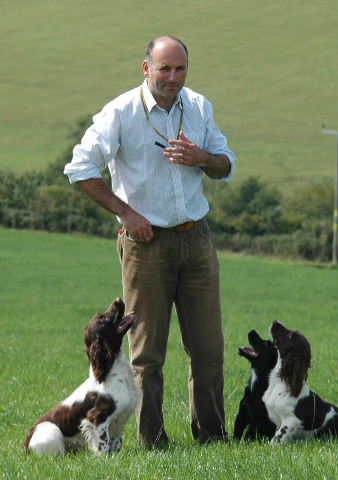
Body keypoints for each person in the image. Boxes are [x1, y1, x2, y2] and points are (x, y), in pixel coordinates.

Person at [64, 35, 237, 448]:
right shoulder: (120, 112)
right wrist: (126, 212)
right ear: (147, 69)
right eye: (165, 69)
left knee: (209, 350)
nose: (173, 77)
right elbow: (80, 168)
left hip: (197, 240)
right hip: (145, 245)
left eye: (180, 69)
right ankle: (152, 441)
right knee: (146, 355)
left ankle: (213, 438)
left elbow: (225, 165)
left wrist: (204, 159)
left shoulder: (198, 107)